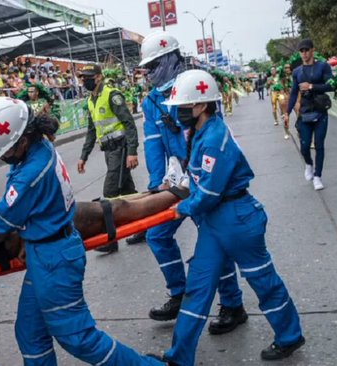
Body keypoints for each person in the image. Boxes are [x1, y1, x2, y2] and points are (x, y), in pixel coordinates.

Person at [0, 96, 163, 366]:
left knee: (79, 339)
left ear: (22, 141)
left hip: (54, 259)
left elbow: (4, 217)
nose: (2, 158)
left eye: (4, 152)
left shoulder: (31, 171)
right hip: (45, 252)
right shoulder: (38, 146)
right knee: (30, 332)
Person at [158, 70, 304, 365]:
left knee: (263, 280)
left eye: (183, 107)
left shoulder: (213, 139)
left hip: (236, 219)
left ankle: (290, 336)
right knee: (198, 286)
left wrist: (180, 208)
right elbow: (197, 181)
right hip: (215, 222)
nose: (179, 112)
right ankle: (178, 357)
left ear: (201, 106)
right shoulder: (200, 132)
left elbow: (208, 193)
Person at [136, 31, 245, 331]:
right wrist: (158, 182)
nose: (151, 71)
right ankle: (179, 294)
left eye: (156, 63)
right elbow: (153, 144)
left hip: (203, 182)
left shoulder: (198, 85)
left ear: (172, 58)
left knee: (213, 242)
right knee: (157, 235)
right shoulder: (152, 101)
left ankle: (233, 306)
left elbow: (211, 136)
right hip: (176, 183)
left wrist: (198, 179)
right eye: (148, 66)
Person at [77, 64, 140, 253]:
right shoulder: (91, 100)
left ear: (98, 78)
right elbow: (91, 130)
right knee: (129, 192)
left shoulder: (112, 95)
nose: (83, 81)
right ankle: (145, 227)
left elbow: (129, 124)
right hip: (108, 151)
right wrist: (83, 156)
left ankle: (111, 240)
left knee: (110, 191)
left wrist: (132, 151)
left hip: (120, 149)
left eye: (87, 77)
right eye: (82, 77)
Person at [283, 39, 334, 191]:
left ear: (313, 50)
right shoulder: (297, 71)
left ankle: (318, 176)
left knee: (319, 145)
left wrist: (311, 86)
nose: (304, 53)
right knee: (304, 146)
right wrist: (287, 113)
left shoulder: (322, 66)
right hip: (304, 113)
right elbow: (293, 94)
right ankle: (309, 164)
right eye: (301, 51)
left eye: (306, 50)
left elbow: (331, 85)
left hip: (320, 111)